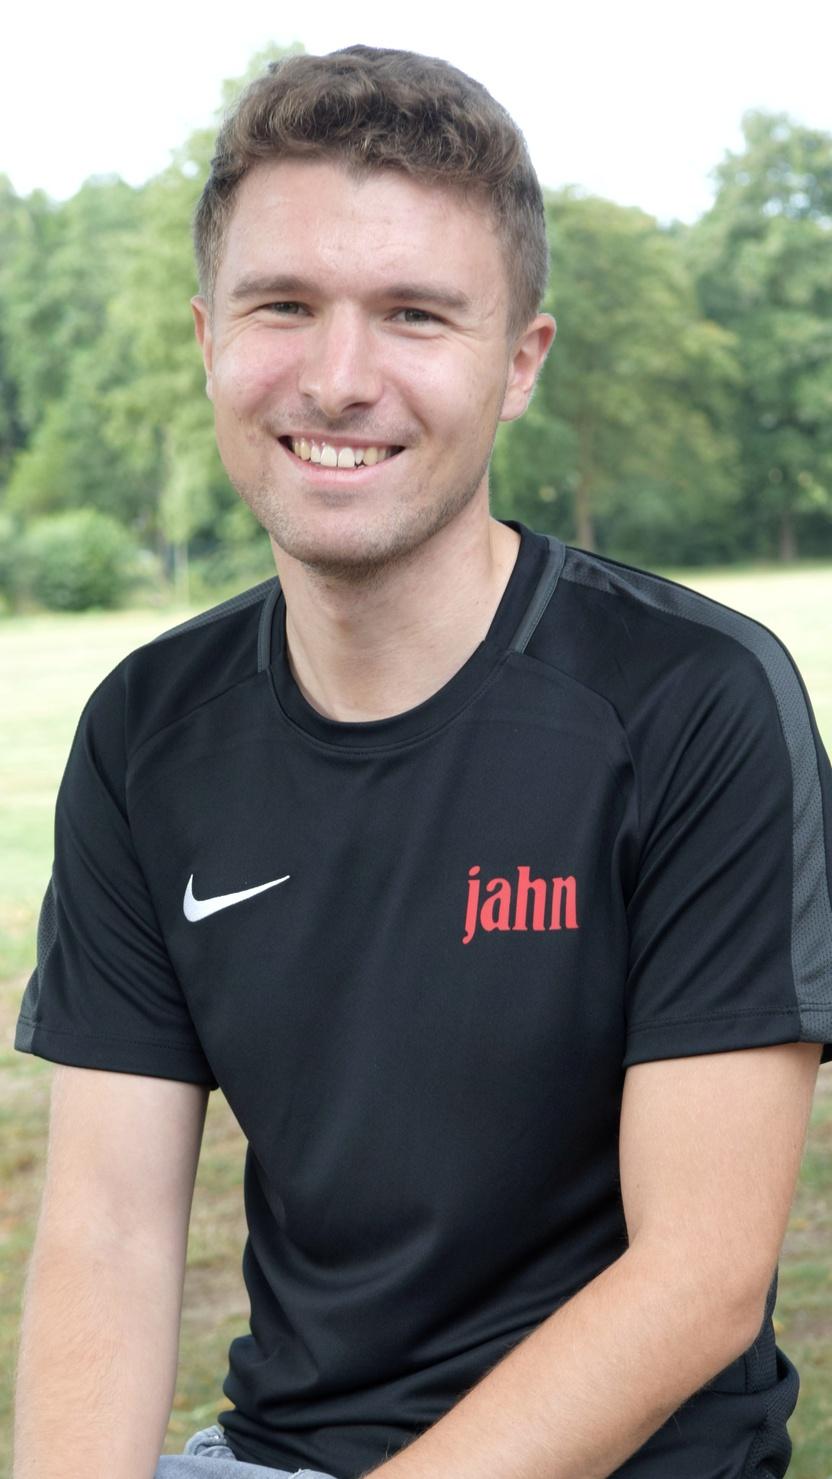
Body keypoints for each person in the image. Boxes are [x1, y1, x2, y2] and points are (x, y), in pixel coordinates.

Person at [12, 44, 831, 1479]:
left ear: (519, 364)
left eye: (413, 315)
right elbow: (107, 1227)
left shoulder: (694, 702)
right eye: (285, 306)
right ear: (209, 337)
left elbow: (698, 1277)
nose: (339, 378)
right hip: (276, 1453)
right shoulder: (147, 731)